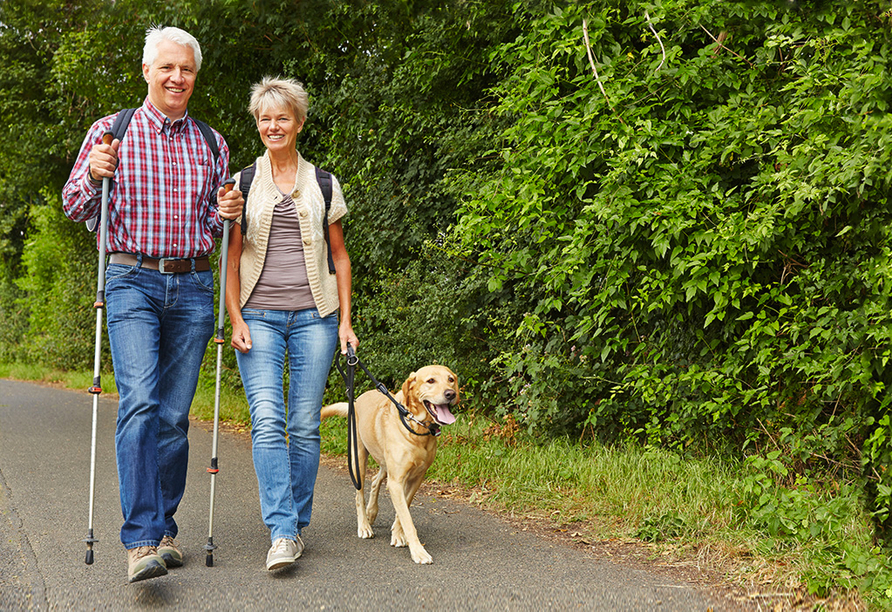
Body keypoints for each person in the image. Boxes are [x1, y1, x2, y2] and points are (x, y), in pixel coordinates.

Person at [62, 26, 243, 583]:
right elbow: (73, 204)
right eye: (167, 67)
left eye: (186, 69)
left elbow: (213, 226)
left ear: (195, 76)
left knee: (172, 417)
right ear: (147, 71)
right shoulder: (110, 131)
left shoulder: (212, 143)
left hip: (191, 286)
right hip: (130, 280)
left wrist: (229, 208)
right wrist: (94, 176)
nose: (177, 77)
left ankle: (165, 528)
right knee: (139, 402)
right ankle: (140, 541)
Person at [225, 76, 358, 571]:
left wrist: (345, 321)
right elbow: (231, 261)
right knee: (266, 419)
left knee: (303, 425)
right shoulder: (241, 183)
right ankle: (282, 530)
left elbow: (340, 257)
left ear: (299, 123)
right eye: (265, 118)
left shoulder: (323, 182)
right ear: (258, 125)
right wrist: (234, 316)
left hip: (315, 319)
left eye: (282, 117)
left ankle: (294, 524)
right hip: (257, 317)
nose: (273, 125)